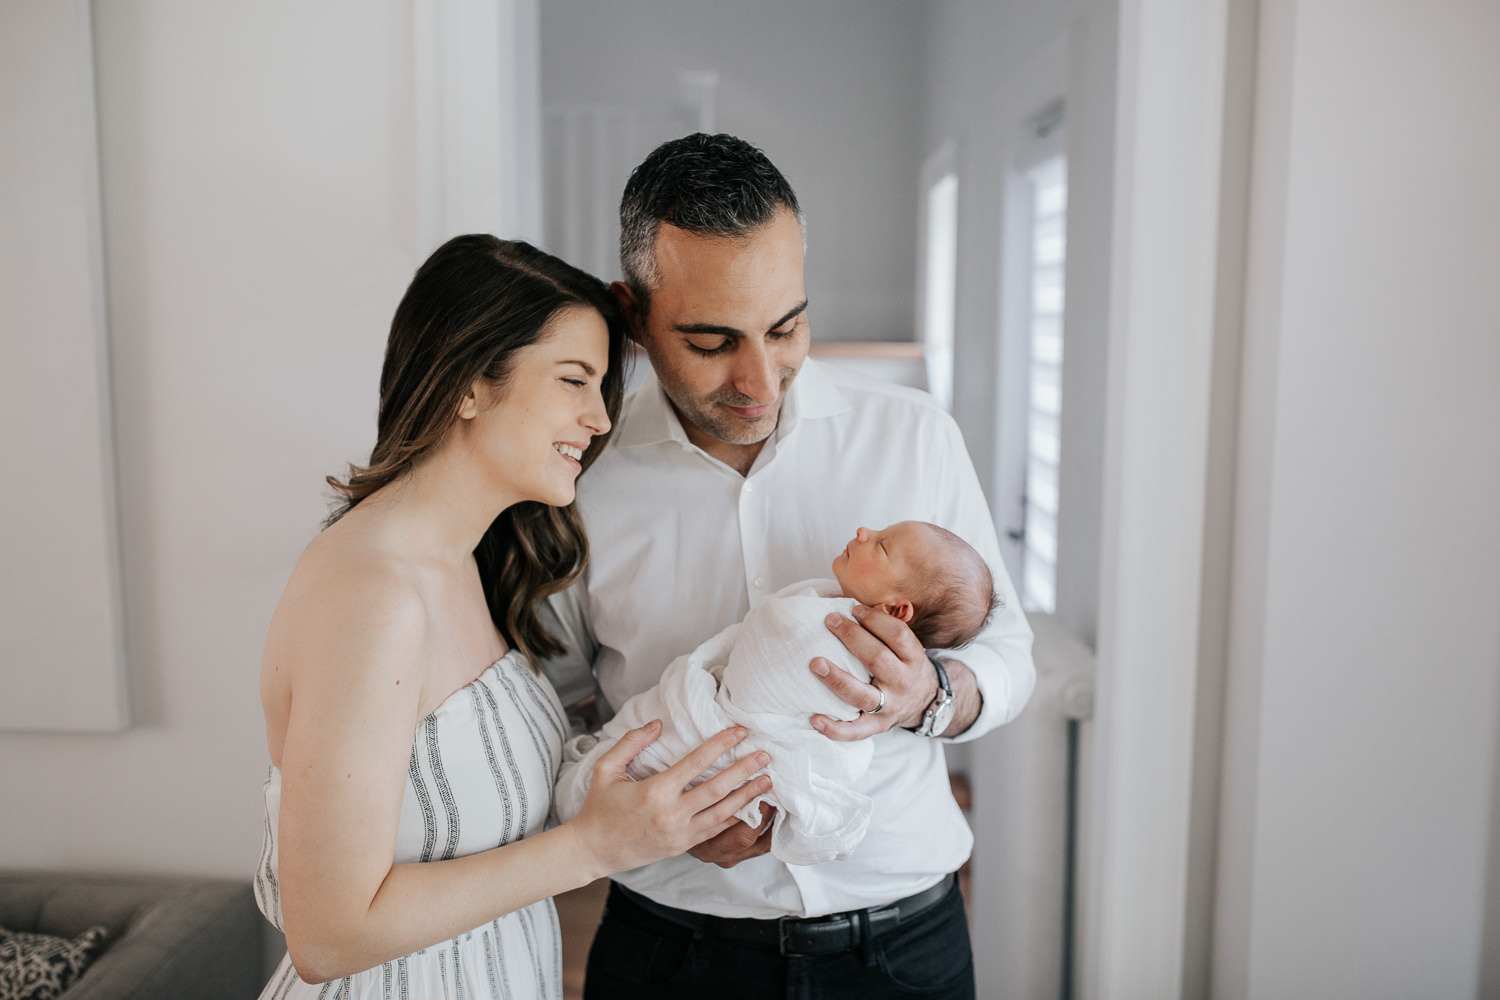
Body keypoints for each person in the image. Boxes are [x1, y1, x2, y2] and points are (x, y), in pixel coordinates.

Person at [543, 134, 1036, 999]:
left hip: (907, 945)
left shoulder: (914, 436)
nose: (760, 380)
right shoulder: (576, 474)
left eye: (786, 327)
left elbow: (1010, 656)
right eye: (711, 341)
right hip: (673, 950)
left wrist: (930, 697)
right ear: (632, 314)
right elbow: (549, 713)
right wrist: (637, 819)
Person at [252, 235, 774, 999]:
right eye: (574, 381)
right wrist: (595, 846)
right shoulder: (371, 593)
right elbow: (328, 936)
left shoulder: (467, 564)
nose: (599, 420)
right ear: (467, 382)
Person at [553, 520, 999, 867]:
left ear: (896, 611)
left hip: (897, 890)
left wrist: (924, 695)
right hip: (678, 903)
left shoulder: (822, 632)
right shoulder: (823, 607)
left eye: (881, 544)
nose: (863, 531)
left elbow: (1008, 662)